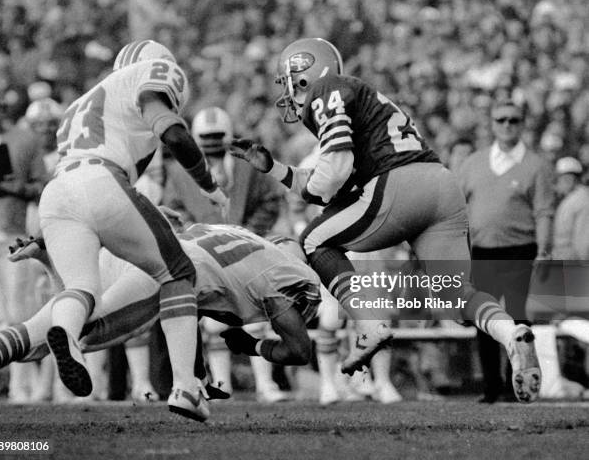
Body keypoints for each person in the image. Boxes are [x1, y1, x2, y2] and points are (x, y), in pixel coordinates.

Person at [230, 38, 541, 403]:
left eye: (289, 81)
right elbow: (335, 184)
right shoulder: (359, 99)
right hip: (440, 187)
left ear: (304, 74)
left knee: (314, 240)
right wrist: (275, 169)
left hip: (398, 185)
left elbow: (331, 176)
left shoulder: (327, 89)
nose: (288, 92)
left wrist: (312, 189)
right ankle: (512, 334)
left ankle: (369, 323)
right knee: (456, 297)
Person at [37, 40, 228, 421]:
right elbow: (173, 134)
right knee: (178, 273)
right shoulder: (151, 74)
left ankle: (69, 334)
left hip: (56, 193)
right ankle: (186, 386)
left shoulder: (80, 103)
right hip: (102, 180)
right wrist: (207, 184)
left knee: (83, 288)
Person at [0, 222, 321, 421]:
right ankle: (183, 389)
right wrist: (256, 346)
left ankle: (50, 270)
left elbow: (191, 311)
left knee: (33, 333)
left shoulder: (239, 236)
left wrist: (199, 372)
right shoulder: (283, 273)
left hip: (133, 256)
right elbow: (300, 350)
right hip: (162, 273)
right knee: (86, 332)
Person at [164, 106, 287, 402]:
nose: (211, 142)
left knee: (258, 313)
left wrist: (248, 231)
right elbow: (174, 210)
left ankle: (265, 384)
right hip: (203, 251)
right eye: (205, 137)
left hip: (246, 248)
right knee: (213, 319)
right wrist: (196, 234)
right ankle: (221, 383)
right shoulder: (179, 174)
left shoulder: (246, 166)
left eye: (217, 135)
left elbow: (271, 201)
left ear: (229, 134)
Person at [458, 100, 555, 403]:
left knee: (517, 318)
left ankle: (519, 383)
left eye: (513, 120)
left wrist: (544, 251)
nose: (507, 125)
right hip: (482, 251)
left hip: (520, 250)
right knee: (484, 321)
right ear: (493, 124)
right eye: (501, 120)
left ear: (522, 123)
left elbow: (543, 211)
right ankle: (491, 387)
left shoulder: (536, 165)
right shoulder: (473, 163)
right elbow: (459, 210)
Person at [0, 88, 48, 403]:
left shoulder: (25, 139)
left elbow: (43, 186)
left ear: (4, 109)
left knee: (18, 312)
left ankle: (22, 389)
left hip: (11, 235)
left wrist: (20, 187)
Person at [552, 157, 589, 261]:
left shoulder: (582, 200)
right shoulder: (571, 199)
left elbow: (583, 244)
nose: (556, 185)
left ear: (569, 179)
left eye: (557, 179)